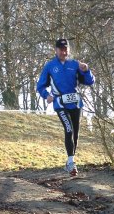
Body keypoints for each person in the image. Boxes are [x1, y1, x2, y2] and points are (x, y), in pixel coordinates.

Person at [37, 38, 95, 176]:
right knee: (68, 129)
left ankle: (70, 161)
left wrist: (86, 70)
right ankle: (71, 163)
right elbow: (40, 85)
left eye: (66, 49)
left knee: (75, 133)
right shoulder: (50, 66)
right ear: (56, 50)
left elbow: (89, 81)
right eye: (61, 49)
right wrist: (47, 95)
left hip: (75, 103)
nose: (64, 51)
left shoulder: (75, 64)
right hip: (60, 104)